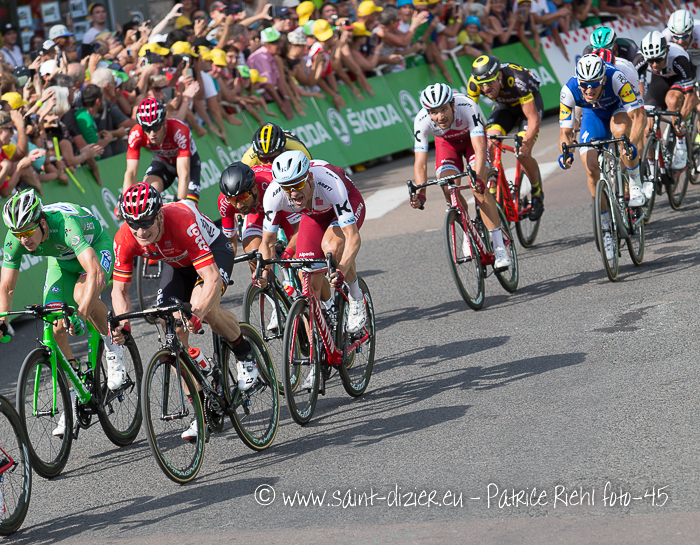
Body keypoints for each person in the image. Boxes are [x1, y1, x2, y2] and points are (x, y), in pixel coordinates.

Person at [109, 183, 258, 440]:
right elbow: (119, 291)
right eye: (134, 224)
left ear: (159, 215)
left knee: (205, 310)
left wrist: (197, 313)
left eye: (146, 223)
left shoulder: (180, 221)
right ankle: (201, 410)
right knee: (171, 327)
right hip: (177, 263)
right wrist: (123, 325)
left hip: (212, 252)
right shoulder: (125, 237)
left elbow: (211, 278)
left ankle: (244, 353)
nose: (140, 231)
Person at [0, 189, 124, 438]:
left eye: (28, 233)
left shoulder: (66, 225)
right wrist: (2, 319)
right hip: (61, 261)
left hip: (95, 249)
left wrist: (81, 315)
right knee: (55, 325)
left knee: (82, 294)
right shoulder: (16, 236)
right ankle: (74, 394)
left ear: (42, 223)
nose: (23, 240)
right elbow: (6, 286)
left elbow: (94, 273)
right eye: (18, 234)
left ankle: (113, 346)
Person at [258, 150, 367, 339]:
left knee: (332, 248)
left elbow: (353, 237)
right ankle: (319, 342)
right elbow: (267, 242)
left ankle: (356, 296)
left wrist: (341, 270)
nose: (293, 192)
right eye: (287, 187)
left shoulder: (329, 182)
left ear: (309, 177)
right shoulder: (273, 195)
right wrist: (264, 271)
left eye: (298, 184)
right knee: (306, 275)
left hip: (347, 203)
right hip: (313, 216)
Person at [410, 83, 511, 269]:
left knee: (479, 189)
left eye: (444, 109)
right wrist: (421, 193)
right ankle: (468, 232)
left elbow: (480, 148)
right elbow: (420, 162)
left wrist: (479, 178)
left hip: (473, 143)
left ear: (452, 105)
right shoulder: (421, 120)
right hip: (447, 146)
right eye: (434, 112)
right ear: (428, 112)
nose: (440, 116)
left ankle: (499, 247)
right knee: (448, 189)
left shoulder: (467, 106)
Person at [558, 54, 645, 258]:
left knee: (621, 135)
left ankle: (634, 181)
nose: (589, 90)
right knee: (590, 168)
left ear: (603, 79)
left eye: (594, 85)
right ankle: (606, 227)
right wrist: (565, 153)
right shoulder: (569, 90)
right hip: (593, 115)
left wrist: (631, 143)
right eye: (584, 85)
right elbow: (566, 133)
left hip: (617, 109)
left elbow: (638, 116)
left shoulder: (616, 78)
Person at [467, 55, 544, 220]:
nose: (486, 88)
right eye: (482, 85)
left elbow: (533, 118)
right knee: (490, 143)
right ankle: (493, 187)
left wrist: (526, 144)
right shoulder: (474, 83)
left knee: (522, 153)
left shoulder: (517, 79)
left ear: (499, 76)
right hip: (504, 108)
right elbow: (469, 116)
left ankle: (537, 193)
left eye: (490, 83)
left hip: (528, 107)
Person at [123, 97, 201, 203]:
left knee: (189, 205)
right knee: (147, 195)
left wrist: (181, 204)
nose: (152, 133)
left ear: (164, 122)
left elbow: (184, 173)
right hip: (163, 162)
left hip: (189, 164)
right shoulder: (136, 134)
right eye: (147, 128)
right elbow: (131, 172)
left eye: (155, 127)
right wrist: (126, 203)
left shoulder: (179, 131)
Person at [218, 161, 300, 255]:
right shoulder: (224, 202)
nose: (239, 205)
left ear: (254, 189)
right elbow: (230, 244)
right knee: (254, 254)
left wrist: (288, 254)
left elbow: (299, 228)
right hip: (258, 214)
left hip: (283, 210)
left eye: (243, 197)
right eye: (233, 200)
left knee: (298, 255)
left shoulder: (272, 186)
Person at [640, 30, 694, 170]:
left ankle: (681, 145)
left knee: (672, 101)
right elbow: (637, 88)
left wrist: (681, 119)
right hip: (659, 81)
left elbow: (690, 96)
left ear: (667, 52)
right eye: (650, 61)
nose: (654, 65)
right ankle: (652, 168)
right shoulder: (640, 60)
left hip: (678, 78)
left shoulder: (679, 59)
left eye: (658, 59)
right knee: (647, 128)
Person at [241, 122, 311, 167]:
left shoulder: (298, 149)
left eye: (274, 158)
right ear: (258, 154)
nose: (269, 163)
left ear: (283, 150)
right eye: (264, 159)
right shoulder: (248, 159)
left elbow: (312, 172)